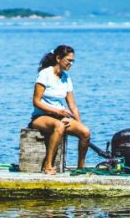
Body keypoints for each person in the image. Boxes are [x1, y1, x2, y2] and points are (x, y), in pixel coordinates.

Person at [30, 45, 91, 174]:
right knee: (59, 126)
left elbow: (72, 106)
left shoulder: (66, 78)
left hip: (60, 116)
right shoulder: (44, 74)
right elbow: (36, 102)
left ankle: (81, 168)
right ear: (58, 58)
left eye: (73, 61)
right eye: (69, 60)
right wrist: (57, 112)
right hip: (40, 117)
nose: (71, 64)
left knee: (85, 132)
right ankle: (48, 166)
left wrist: (79, 123)